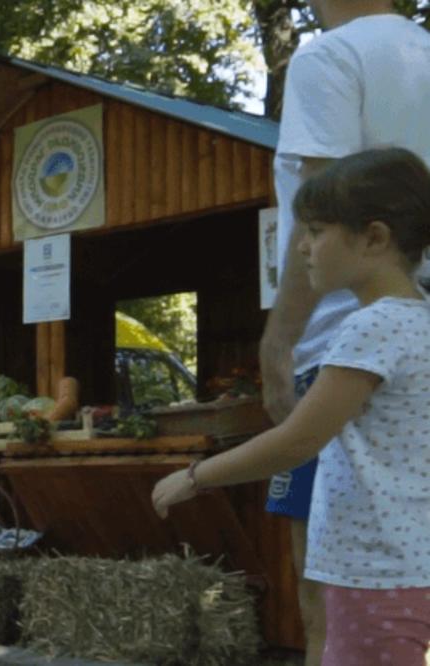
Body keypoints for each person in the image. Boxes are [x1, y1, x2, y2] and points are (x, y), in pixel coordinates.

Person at [155, 148, 430, 665]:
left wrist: (196, 477)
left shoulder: (372, 327)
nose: (301, 249)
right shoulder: (420, 318)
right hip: (411, 564)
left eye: (316, 231)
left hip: (374, 569)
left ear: (374, 238)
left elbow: (299, 439)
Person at [258, 3, 430, 662]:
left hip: (342, 344)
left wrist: (280, 340)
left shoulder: (332, 57)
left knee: (329, 589)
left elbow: (320, 203)